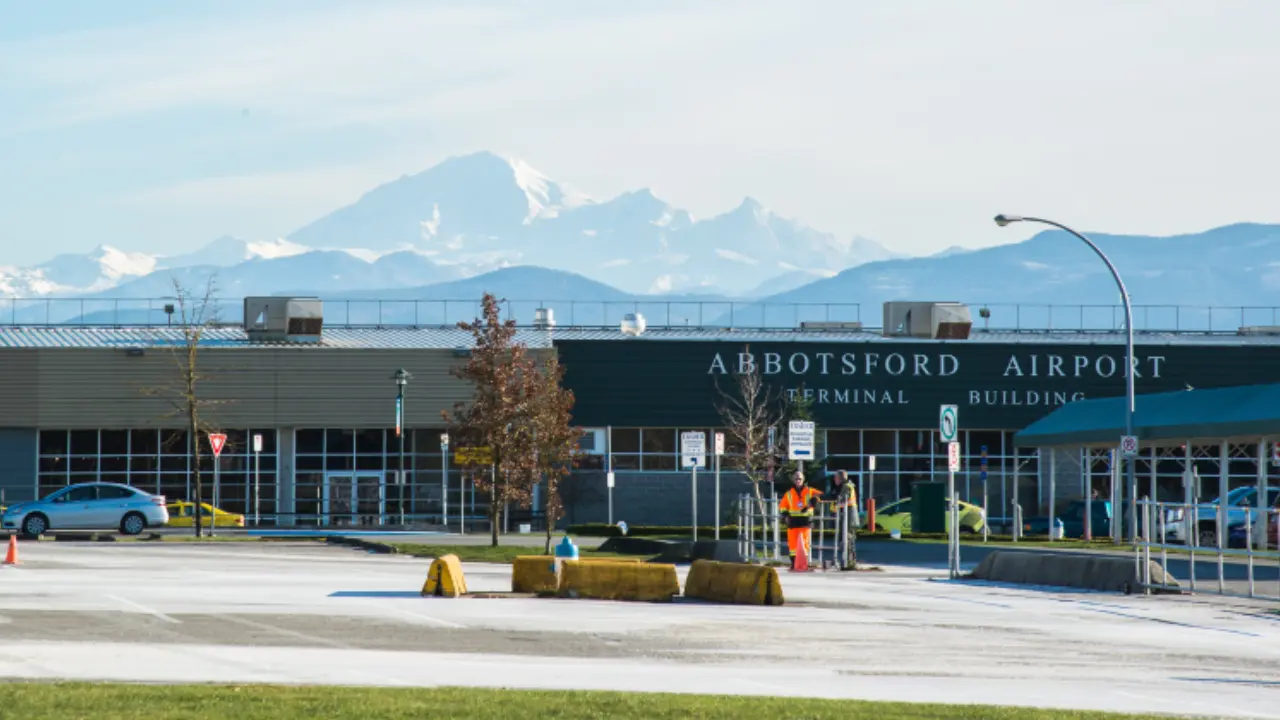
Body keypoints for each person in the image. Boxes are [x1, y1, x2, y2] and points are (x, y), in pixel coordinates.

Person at [779, 470, 823, 570]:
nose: (798, 480)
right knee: (793, 544)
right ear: (793, 480)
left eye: (800, 478)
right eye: (796, 478)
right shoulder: (789, 493)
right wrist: (785, 516)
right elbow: (782, 506)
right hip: (793, 521)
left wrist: (814, 501)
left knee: (805, 544)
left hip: (805, 521)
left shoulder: (810, 491)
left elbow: (821, 495)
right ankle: (794, 563)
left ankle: (803, 564)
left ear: (803, 480)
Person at [826, 470, 859, 570]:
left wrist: (837, 504)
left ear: (840, 478)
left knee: (847, 539)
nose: (834, 479)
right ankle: (847, 562)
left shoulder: (846, 487)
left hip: (848, 516)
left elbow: (844, 500)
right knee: (846, 539)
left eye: (835, 477)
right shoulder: (846, 486)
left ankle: (849, 563)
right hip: (847, 516)